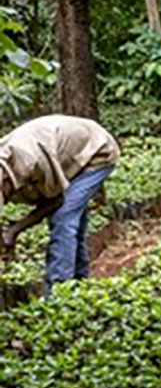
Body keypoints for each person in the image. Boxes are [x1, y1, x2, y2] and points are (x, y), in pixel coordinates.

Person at [0, 114, 120, 287]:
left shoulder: (32, 162)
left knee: (63, 218)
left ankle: (59, 291)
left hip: (96, 152)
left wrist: (14, 230)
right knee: (73, 222)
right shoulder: (6, 163)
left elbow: (55, 201)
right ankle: (79, 284)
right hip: (68, 155)